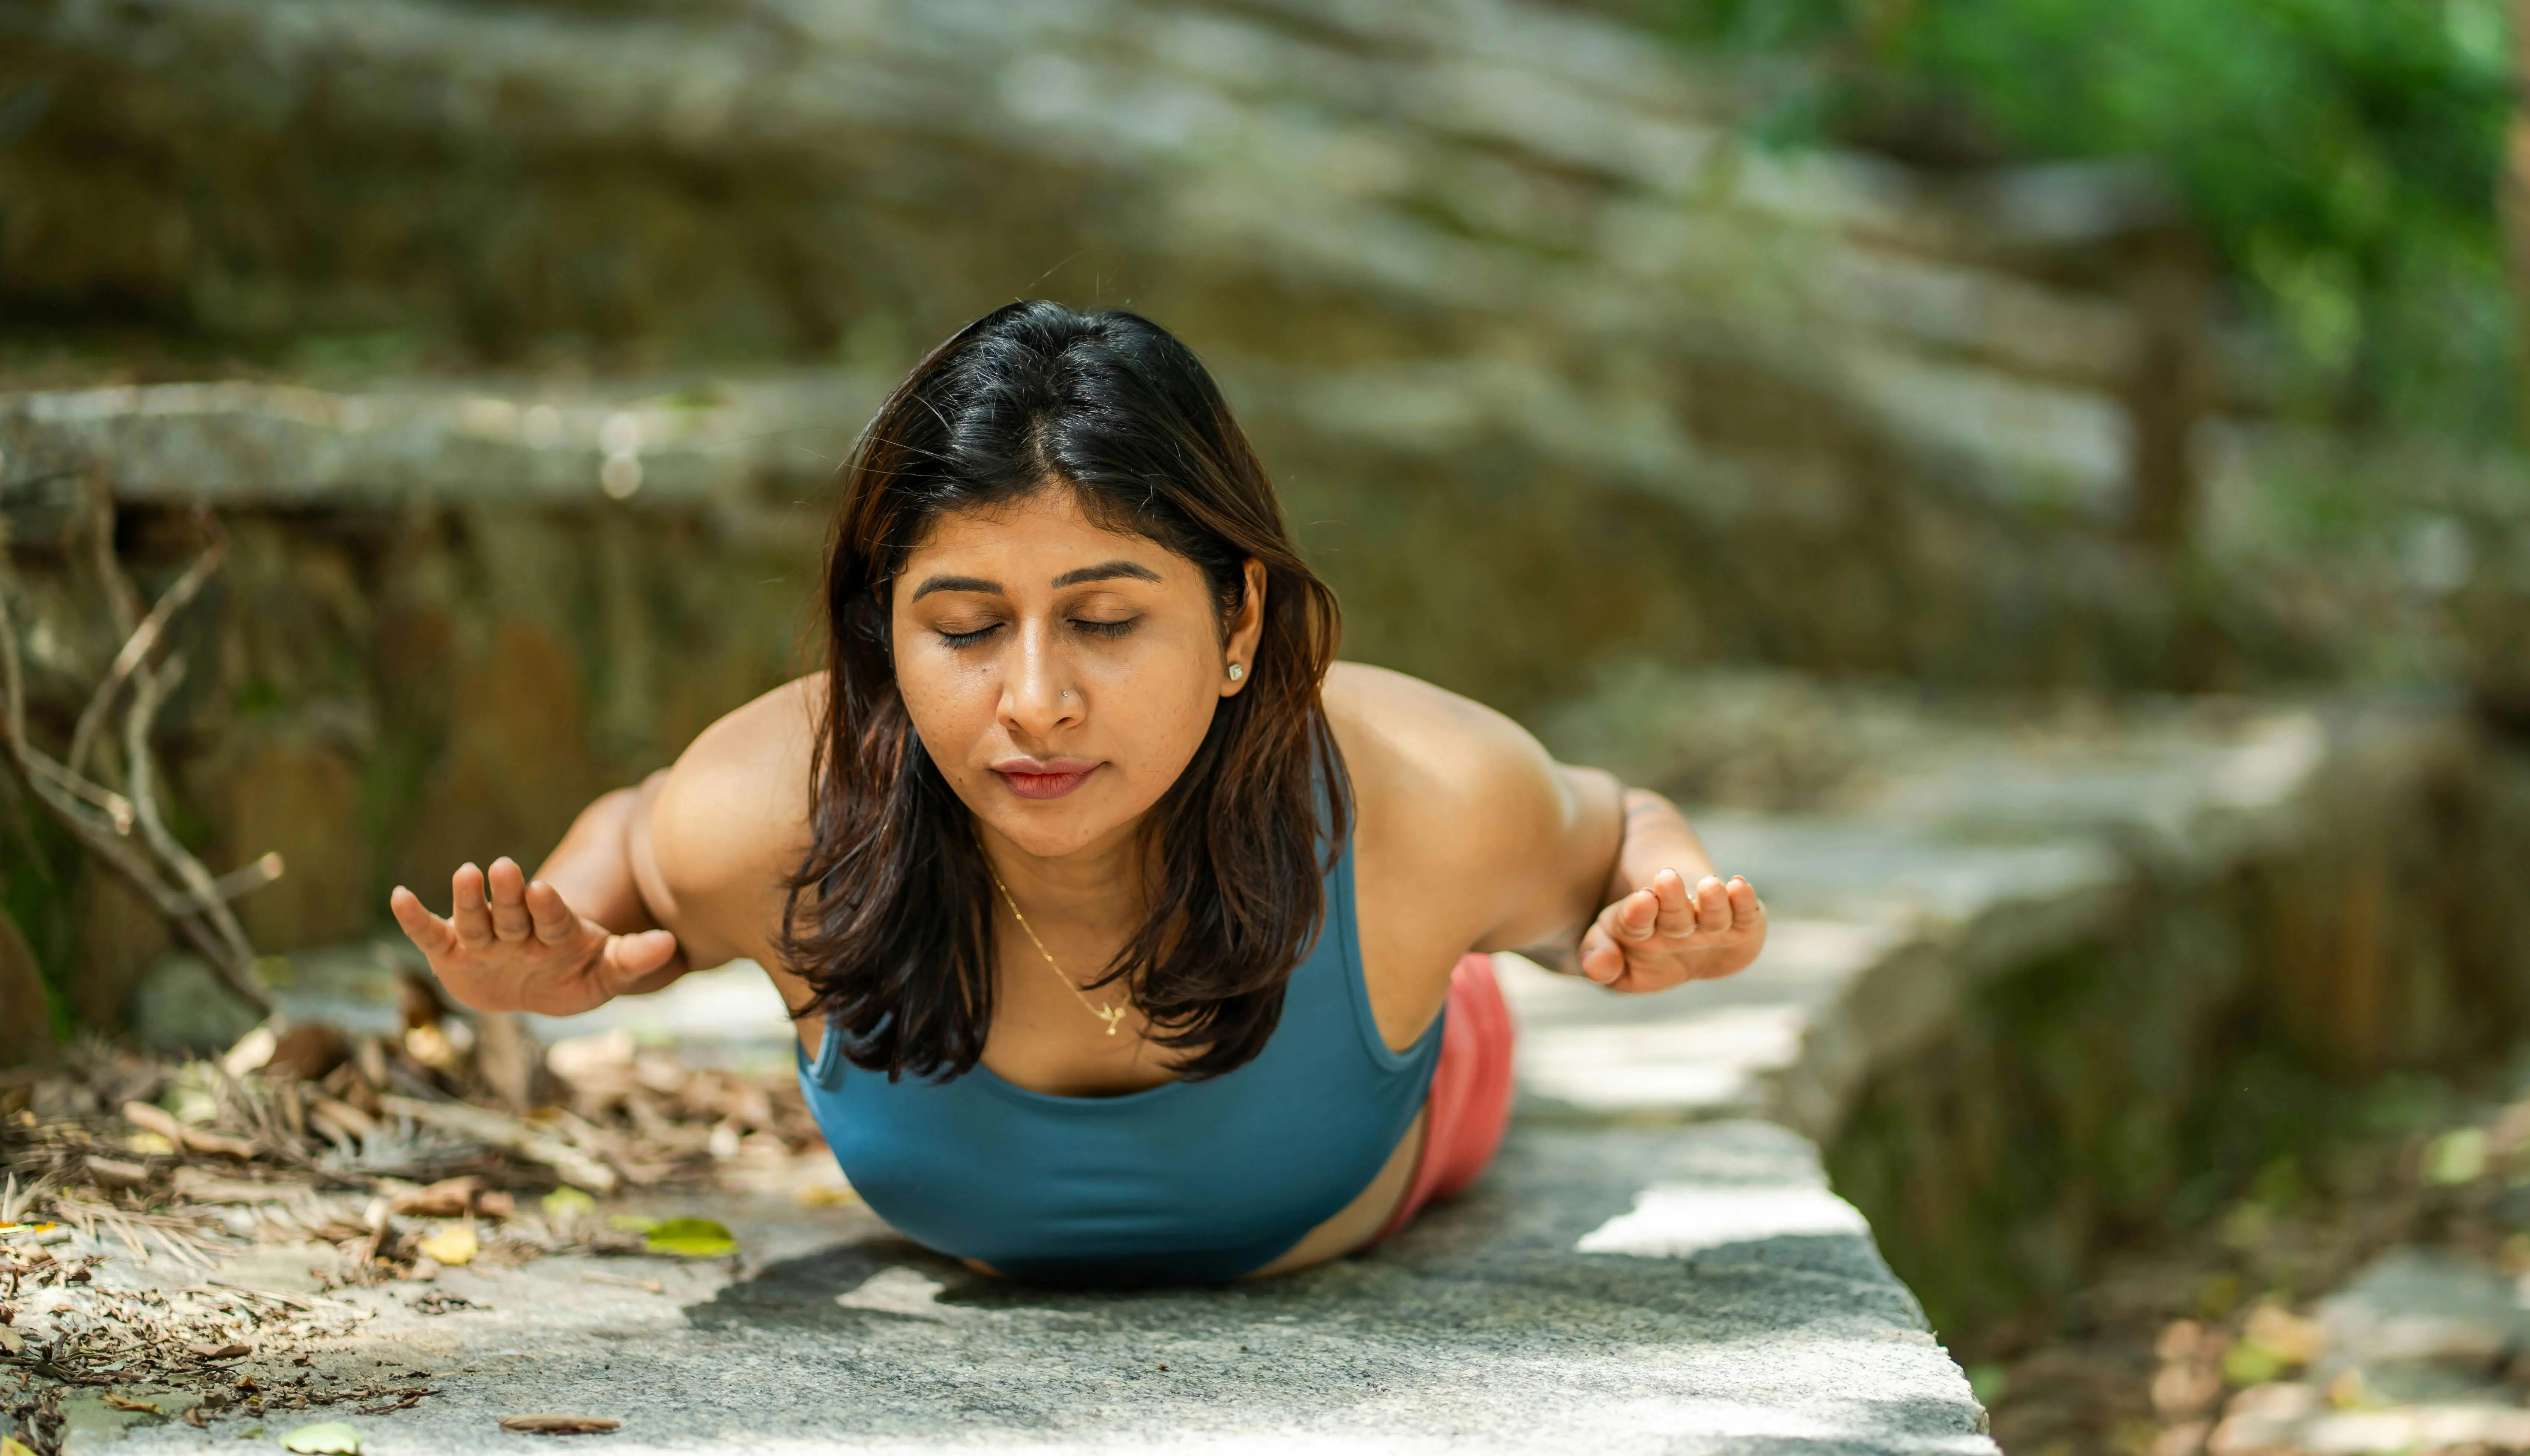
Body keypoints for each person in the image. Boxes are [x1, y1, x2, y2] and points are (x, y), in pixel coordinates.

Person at [391, 302, 1766, 1285]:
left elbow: (1618, 822)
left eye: (1106, 621)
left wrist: (1666, 902)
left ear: (1239, 622)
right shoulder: (777, 810)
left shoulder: (1426, 797)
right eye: (967, 627)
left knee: (1467, 978)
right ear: (885, 634)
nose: (1035, 700)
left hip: (1409, 1051)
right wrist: (569, 944)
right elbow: (637, 833)